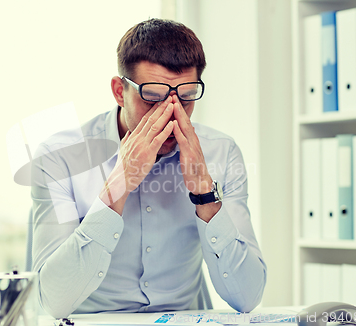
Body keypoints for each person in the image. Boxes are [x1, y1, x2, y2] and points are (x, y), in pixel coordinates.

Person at [31, 18, 266, 319]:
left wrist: (206, 196)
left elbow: (248, 297)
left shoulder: (221, 152)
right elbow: (51, 301)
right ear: (119, 91)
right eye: (152, 99)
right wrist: (118, 184)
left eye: (186, 97)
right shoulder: (59, 158)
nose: (171, 114)